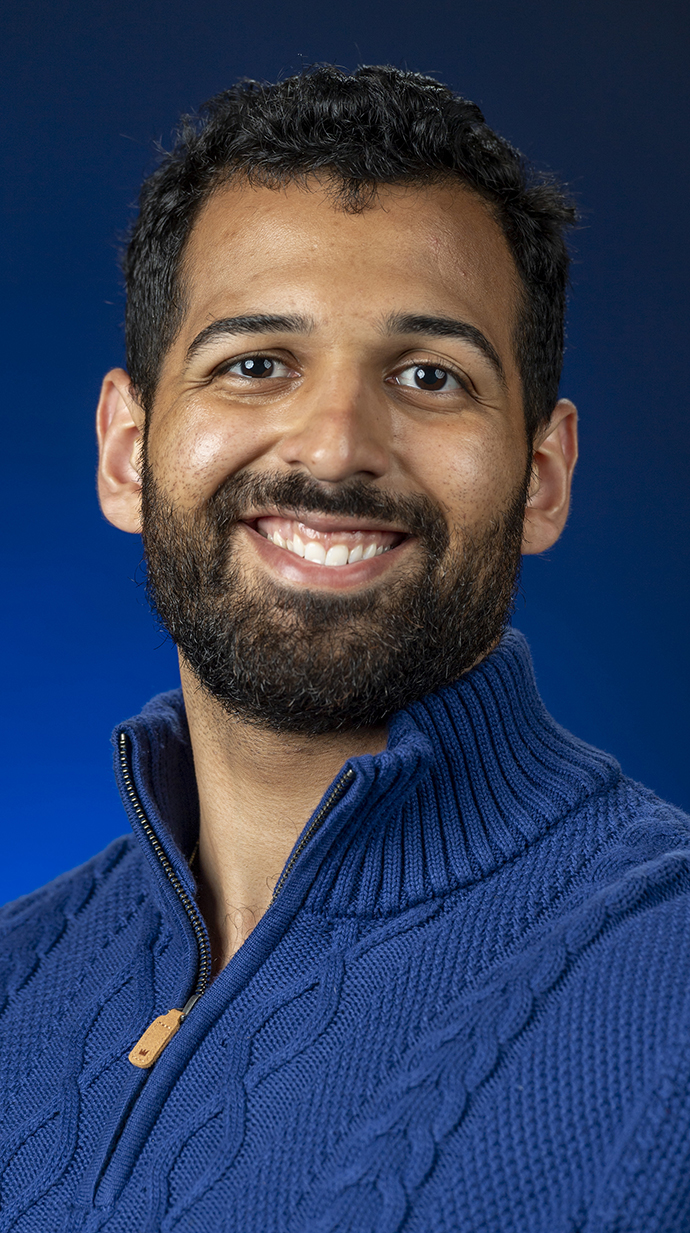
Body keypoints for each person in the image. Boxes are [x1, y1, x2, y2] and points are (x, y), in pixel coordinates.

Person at [2, 65, 689, 1233]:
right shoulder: (17, 972)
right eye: (255, 362)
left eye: (431, 377)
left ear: (543, 474)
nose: (334, 449)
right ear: (128, 450)